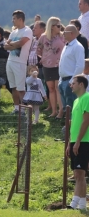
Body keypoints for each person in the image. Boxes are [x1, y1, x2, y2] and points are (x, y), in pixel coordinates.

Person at [66, 75, 89, 210]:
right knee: (78, 173)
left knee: (80, 173)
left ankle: (74, 204)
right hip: (75, 141)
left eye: (73, 83)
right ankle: (82, 205)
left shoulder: (87, 97)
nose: (71, 85)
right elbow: (74, 124)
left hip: (84, 141)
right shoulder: (76, 101)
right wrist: (70, 142)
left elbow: (86, 121)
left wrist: (78, 141)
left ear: (81, 84)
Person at [4, 10, 33, 114]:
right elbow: (5, 46)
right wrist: (13, 45)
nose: (13, 21)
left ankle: (24, 110)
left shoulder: (27, 30)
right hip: (10, 61)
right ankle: (16, 108)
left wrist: (13, 44)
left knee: (21, 88)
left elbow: (21, 43)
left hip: (20, 63)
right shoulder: (13, 32)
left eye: (14, 19)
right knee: (13, 87)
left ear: (20, 19)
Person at [36, 17, 65, 118]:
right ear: (52, 27)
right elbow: (38, 49)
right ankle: (54, 111)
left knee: (57, 88)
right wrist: (43, 58)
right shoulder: (43, 37)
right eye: (58, 25)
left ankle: (61, 111)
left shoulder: (62, 36)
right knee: (51, 88)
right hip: (47, 66)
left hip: (59, 65)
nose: (60, 27)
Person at [58, 25, 84, 115]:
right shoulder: (67, 45)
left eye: (65, 32)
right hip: (63, 80)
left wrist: (72, 81)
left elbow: (80, 66)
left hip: (70, 80)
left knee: (72, 106)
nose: (63, 34)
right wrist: (61, 79)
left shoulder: (78, 47)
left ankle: (72, 126)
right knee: (66, 107)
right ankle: (68, 125)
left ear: (72, 33)